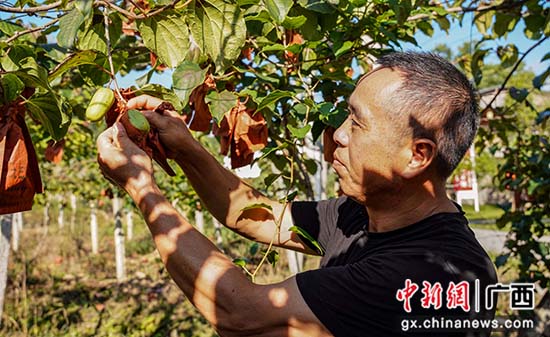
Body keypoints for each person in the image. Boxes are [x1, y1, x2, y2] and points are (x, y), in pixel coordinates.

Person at [96, 51, 497, 337]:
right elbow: (255, 216)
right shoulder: (361, 213)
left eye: (357, 124)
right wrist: (184, 146)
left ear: (416, 155)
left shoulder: (434, 274)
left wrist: (142, 187)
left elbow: (240, 313)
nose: (337, 134)